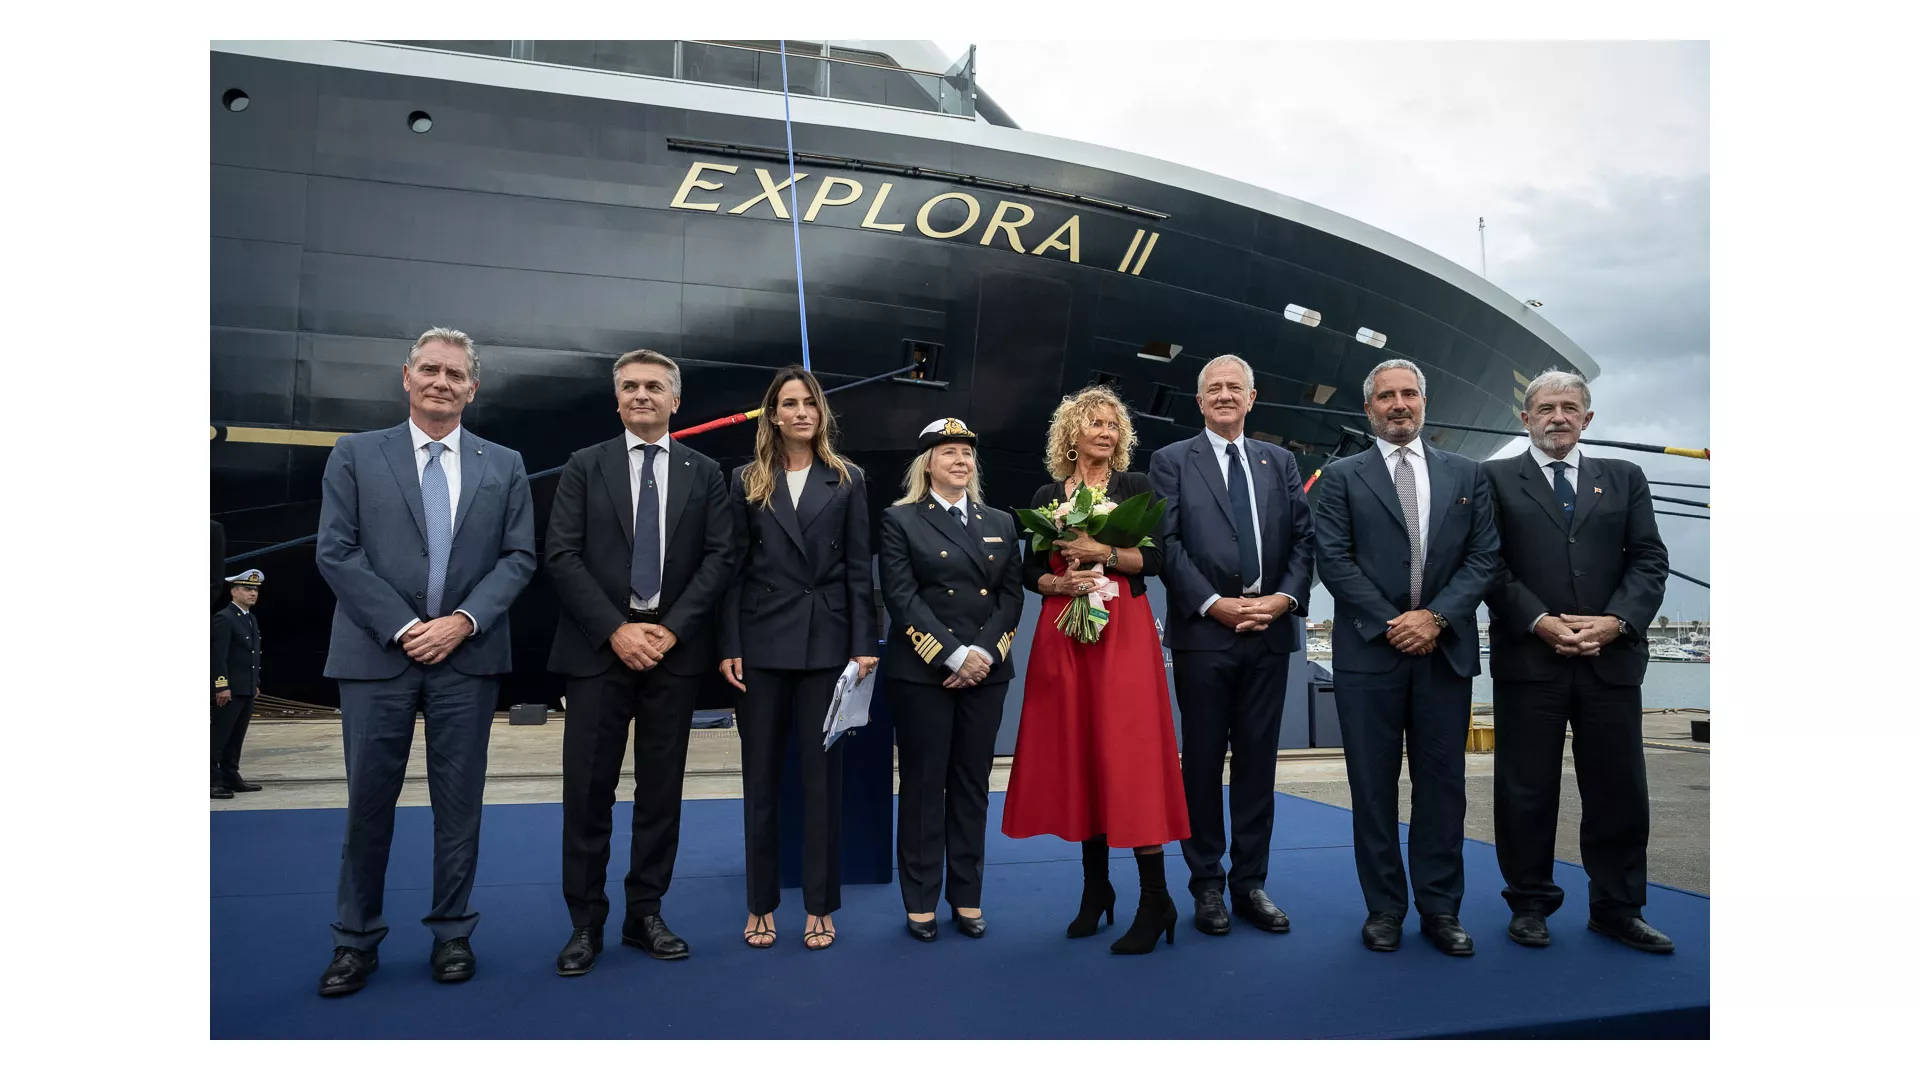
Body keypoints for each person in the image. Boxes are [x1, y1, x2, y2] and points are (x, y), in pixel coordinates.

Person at [313, 327, 537, 996]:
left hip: (466, 658)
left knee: (459, 806)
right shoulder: (355, 453)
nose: (442, 382)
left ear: (473, 388)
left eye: (455, 374)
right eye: (431, 369)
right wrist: (408, 627)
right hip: (376, 655)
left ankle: (452, 933)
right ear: (406, 377)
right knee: (367, 805)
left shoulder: (505, 464)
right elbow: (336, 551)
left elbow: (518, 557)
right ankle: (355, 941)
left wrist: (461, 622)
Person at [546, 348, 736, 976]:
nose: (641, 396)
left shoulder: (705, 473)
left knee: (661, 793)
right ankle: (585, 923)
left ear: (675, 400)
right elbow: (562, 555)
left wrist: (672, 631)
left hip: (671, 656)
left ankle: (644, 914)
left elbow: (720, 557)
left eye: (654, 386)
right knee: (587, 793)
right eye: (629, 386)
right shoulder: (584, 465)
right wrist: (615, 630)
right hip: (598, 654)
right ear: (617, 398)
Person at [1312, 358, 1498, 957]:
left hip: (1444, 655)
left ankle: (1441, 909)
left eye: (1409, 394)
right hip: (1371, 654)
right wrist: (1394, 623)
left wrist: (1435, 618)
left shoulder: (1467, 473)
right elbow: (1333, 559)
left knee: (1442, 787)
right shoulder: (1341, 477)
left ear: (1423, 401)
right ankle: (1385, 908)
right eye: (1387, 396)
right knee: (1373, 788)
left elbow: (1484, 557)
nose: (1399, 404)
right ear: (1369, 408)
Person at [1485, 369, 1673, 953]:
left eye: (1569, 407)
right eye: (1546, 408)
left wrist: (1615, 622)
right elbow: (1488, 562)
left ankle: (1618, 907)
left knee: (1619, 789)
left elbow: (1649, 559)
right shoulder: (1493, 479)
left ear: (1587, 418)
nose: (1558, 417)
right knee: (1525, 790)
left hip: (1609, 659)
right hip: (1529, 658)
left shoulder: (1624, 478)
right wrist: (1539, 620)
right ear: (1525, 419)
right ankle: (1529, 903)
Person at [1002, 385, 1191, 955]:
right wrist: (1058, 582)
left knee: (1129, 756)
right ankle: (1096, 889)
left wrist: (1101, 552)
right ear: (1072, 433)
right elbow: (1029, 571)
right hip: (1065, 630)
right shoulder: (1046, 495)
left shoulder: (1135, 487)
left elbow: (1155, 560)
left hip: (1123, 633)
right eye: (1096, 423)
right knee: (1081, 751)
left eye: (1113, 425)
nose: (1106, 432)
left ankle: (1156, 899)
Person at [1148, 354, 1315, 936]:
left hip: (1269, 633)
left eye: (1234, 387)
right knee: (1200, 761)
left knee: (1257, 763)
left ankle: (1250, 883)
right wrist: (1212, 603)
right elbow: (1166, 543)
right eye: (1214, 388)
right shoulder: (1171, 461)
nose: (1224, 395)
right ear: (1200, 401)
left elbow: (1303, 540)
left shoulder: (1280, 462)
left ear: (1251, 398)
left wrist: (1283, 599)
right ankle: (1206, 884)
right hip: (1204, 636)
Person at [719, 366, 878, 952]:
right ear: (774, 414)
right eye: (789, 403)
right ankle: (760, 904)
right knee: (760, 781)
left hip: (826, 645)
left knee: (822, 784)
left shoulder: (848, 478)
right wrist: (729, 644)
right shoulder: (746, 479)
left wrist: (864, 642)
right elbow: (732, 568)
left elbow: (858, 565)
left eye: (810, 402)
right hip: (760, 644)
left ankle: (819, 906)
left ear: (821, 413)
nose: (801, 412)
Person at [878, 418, 1024, 942]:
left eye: (966, 453)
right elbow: (901, 596)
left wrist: (981, 654)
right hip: (924, 675)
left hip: (986, 673)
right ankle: (920, 900)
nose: (960, 461)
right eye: (949, 453)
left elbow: (1011, 596)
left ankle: (967, 896)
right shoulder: (900, 520)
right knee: (923, 786)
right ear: (928, 465)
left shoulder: (1000, 521)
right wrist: (953, 655)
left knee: (971, 786)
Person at [211, 568, 267, 799]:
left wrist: (254, 683)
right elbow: (218, 656)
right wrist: (221, 686)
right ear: (234, 591)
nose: (253, 593)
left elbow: (250, 655)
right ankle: (211, 780)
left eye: (255, 590)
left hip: (245, 688)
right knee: (219, 736)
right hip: (230, 690)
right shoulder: (224, 618)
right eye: (247, 589)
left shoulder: (249, 618)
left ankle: (230, 775)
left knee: (237, 736)